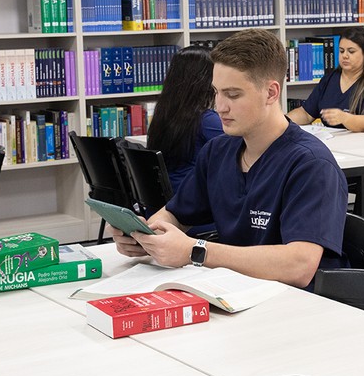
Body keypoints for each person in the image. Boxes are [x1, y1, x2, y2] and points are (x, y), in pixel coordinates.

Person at [112, 29, 348, 288]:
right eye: (216, 92)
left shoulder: (311, 165)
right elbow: (175, 214)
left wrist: (195, 250)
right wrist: (145, 235)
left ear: (271, 93)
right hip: (233, 290)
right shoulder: (218, 151)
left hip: (295, 302)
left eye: (233, 95)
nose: (219, 106)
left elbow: (299, 266)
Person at [146, 46, 223, 194]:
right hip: (191, 200)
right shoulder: (207, 121)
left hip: (168, 197)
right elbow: (241, 148)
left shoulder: (163, 114)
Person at [287, 27, 364, 134]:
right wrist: (283, 121)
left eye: (351, 51)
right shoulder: (329, 79)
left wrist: (344, 118)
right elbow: (306, 114)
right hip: (334, 141)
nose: (345, 56)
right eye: (341, 51)